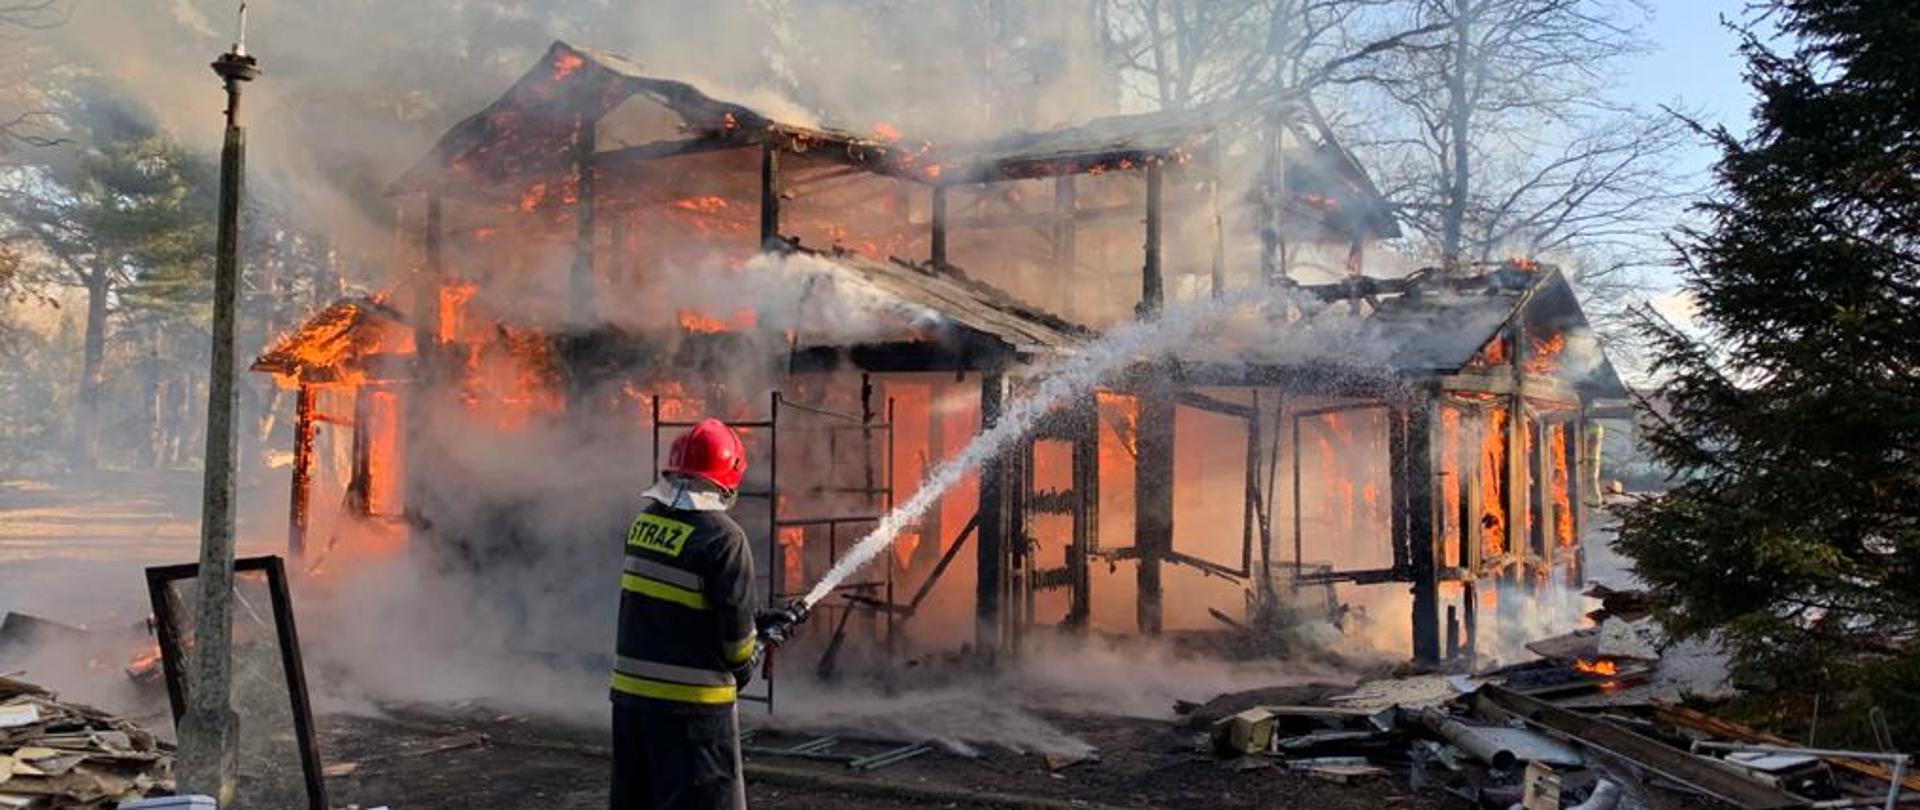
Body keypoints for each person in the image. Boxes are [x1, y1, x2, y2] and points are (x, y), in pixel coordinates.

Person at [608, 417, 759, 810]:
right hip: (694, 713)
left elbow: (674, 606)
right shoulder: (724, 537)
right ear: (728, 476)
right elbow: (737, 645)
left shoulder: (643, 523)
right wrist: (749, 657)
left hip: (632, 705)